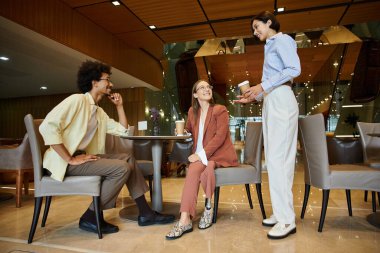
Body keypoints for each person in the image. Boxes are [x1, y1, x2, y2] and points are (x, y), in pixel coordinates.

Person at [39, 60, 174, 234]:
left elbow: (124, 131)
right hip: (64, 161)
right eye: (107, 79)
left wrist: (120, 107)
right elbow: (47, 126)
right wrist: (70, 158)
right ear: (94, 83)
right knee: (121, 169)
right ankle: (90, 215)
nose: (111, 84)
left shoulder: (98, 112)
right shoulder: (77, 100)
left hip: (84, 158)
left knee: (128, 159)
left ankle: (145, 213)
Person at [235, 11, 301, 239]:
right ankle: (281, 212)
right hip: (273, 101)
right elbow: (272, 83)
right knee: (274, 160)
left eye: (257, 27)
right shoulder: (271, 45)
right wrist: (253, 95)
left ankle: (286, 220)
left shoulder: (282, 40)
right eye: (253, 29)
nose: (255, 32)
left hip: (282, 101)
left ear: (269, 22)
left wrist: (262, 86)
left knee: (278, 160)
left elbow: (294, 70)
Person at [166, 79, 238, 240]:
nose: (206, 89)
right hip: (201, 156)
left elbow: (220, 137)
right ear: (195, 94)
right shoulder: (193, 111)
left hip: (217, 154)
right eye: (202, 87)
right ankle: (186, 219)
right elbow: (189, 131)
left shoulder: (220, 110)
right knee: (195, 170)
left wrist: (200, 155)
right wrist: (181, 131)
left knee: (205, 167)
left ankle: (201, 210)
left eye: (208, 87)